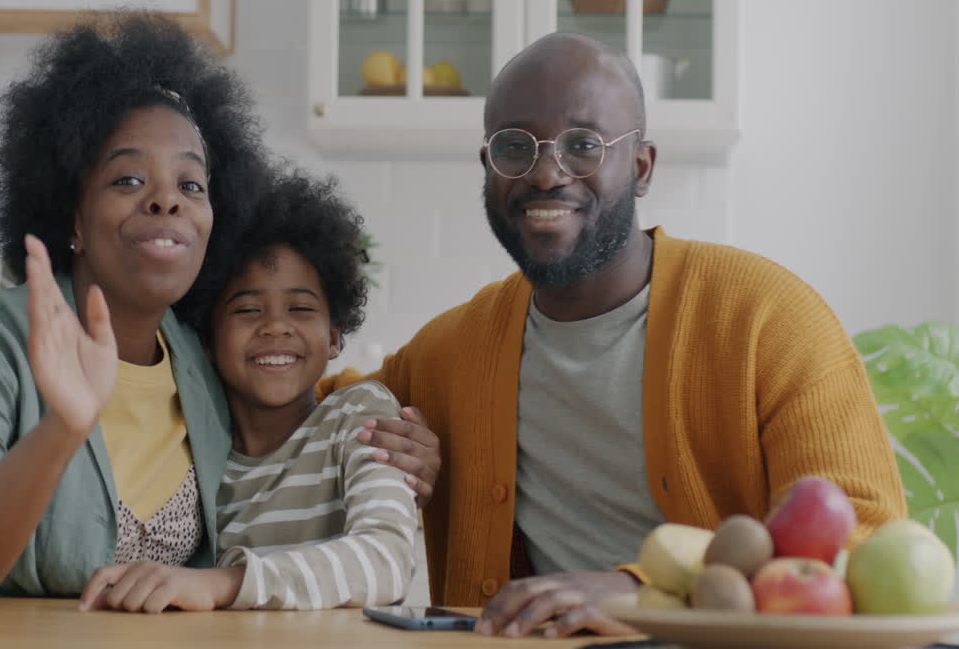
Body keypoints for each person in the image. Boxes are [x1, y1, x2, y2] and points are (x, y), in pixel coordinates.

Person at [317, 32, 906, 638]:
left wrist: (640, 592)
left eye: (583, 145)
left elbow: (862, 535)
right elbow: (293, 404)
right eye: (515, 147)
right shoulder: (452, 351)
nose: (546, 174)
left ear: (642, 167)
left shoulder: (769, 318)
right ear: (489, 169)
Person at [0, 11, 435, 607]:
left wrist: (400, 449)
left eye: (191, 185)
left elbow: (289, 402)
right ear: (73, 217)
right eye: (127, 179)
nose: (166, 199)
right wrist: (62, 429)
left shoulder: (200, 362)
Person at [76, 172, 417, 611]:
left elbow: (385, 562)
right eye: (248, 309)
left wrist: (222, 584)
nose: (276, 326)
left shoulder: (359, 414)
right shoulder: (192, 454)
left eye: (301, 308)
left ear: (333, 336)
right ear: (207, 341)